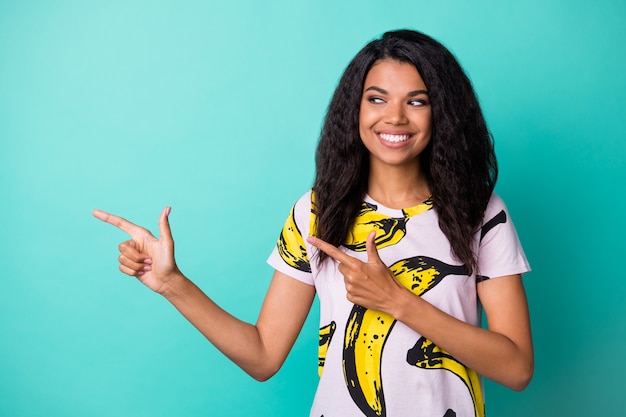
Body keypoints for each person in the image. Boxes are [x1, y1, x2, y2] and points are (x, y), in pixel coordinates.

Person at [93, 29, 533, 417]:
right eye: (377, 99)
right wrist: (172, 283)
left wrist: (398, 301)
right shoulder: (318, 213)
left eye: (416, 101)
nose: (394, 117)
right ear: (355, 110)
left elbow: (516, 368)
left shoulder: (479, 213)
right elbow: (264, 355)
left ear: (443, 114)